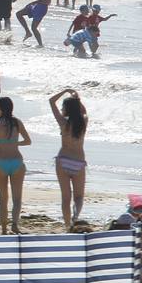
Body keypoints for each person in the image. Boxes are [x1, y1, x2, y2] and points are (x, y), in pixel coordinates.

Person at [0, 97, 31, 235]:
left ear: (2, 108)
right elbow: (28, 141)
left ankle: (4, 229)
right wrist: (14, 144)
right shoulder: (17, 122)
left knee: (3, 198)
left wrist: (2, 145)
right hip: (17, 162)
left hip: (1, 163)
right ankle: (15, 226)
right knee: (17, 198)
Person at [49, 88, 88, 230]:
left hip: (63, 160)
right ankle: (75, 218)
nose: (61, 109)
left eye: (63, 107)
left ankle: (67, 226)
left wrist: (65, 91)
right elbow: (83, 111)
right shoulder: (83, 122)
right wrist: (77, 98)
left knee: (65, 197)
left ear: (67, 109)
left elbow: (51, 101)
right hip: (78, 162)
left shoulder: (63, 123)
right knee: (78, 197)